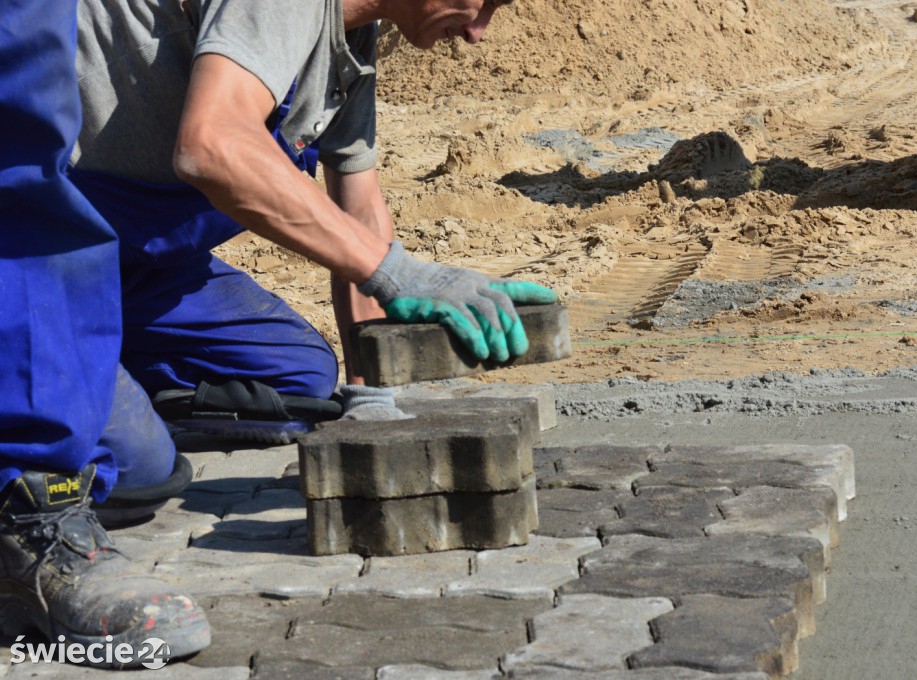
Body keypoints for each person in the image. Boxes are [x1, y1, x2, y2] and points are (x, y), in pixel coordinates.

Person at [0, 0, 555, 667]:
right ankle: (49, 423)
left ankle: (84, 361)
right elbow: (213, 147)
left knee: (302, 383)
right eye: (485, 1)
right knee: (143, 471)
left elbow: (360, 200)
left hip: (135, 262)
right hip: (41, 248)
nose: (478, 30)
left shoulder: (352, 41)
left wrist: (373, 395)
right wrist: (397, 271)